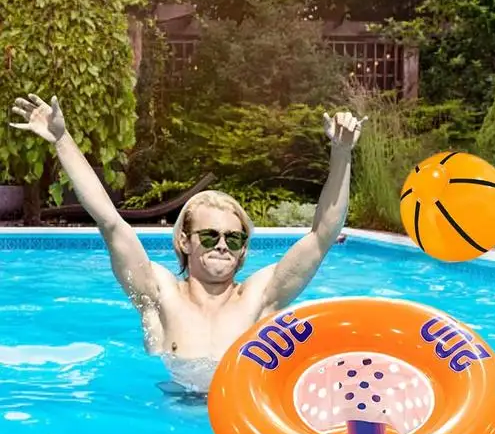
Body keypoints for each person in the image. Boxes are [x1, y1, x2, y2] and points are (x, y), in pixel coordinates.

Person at [10, 92, 366, 390]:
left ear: (244, 249)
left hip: (239, 420)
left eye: (234, 237)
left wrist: (341, 153)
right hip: (168, 422)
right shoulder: (159, 295)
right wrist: (63, 140)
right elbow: (110, 222)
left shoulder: (260, 297)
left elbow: (322, 237)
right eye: (210, 236)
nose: (223, 245)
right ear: (184, 240)